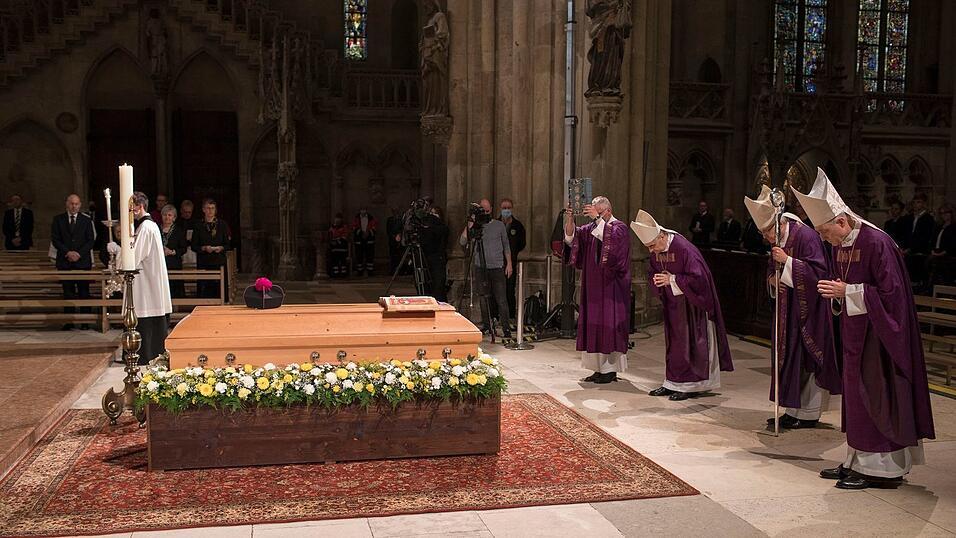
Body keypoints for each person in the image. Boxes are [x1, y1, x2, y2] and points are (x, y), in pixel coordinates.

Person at [793, 167, 935, 490]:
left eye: (827, 233)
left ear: (841, 221)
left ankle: (882, 470)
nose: (826, 241)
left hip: (882, 341)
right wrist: (839, 295)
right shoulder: (842, 243)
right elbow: (845, 285)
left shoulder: (878, 243)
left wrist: (849, 293)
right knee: (857, 399)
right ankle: (856, 460)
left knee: (878, 397)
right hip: (857, 336)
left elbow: (894, 299)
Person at [744, 186, 841, 429]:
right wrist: (773, 280)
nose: (766, 237)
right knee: (787, 358)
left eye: (767, 231)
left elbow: (819, 273)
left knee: (806, 358)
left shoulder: (805, 236)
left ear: (779, 223)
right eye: (763, 233)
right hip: (787, 309)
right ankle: (791, 409)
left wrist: (788, 262)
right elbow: (772, 269)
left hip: (810, 309)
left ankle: (808, 413)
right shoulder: (779, 237)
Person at [632, 209, 734, 400]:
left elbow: (699, 279)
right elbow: (653, 271)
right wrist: (658, 281)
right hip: (673, 304)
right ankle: (672, 382)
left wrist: (673, 280)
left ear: (662, 236)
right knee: (674, 343)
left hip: (692, 306)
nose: (651, 251)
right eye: (648, 247)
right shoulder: (657, 250)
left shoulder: (684, 248)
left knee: (691, 344)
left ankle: (690, 385)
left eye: (652, 245)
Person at [563, 196, 630, 384]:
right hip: (593, 285)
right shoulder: (592, 228)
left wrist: (596, 219)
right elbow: (571, 239)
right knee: (593, 324)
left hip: (612, 287)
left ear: (608, 211)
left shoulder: (620, 228)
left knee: (608, 324)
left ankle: (610, 369)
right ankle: (597, 368)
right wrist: (570, 219)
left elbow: (613, 246)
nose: (595, 216)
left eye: (598, 213)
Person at [108, 192, 172, 365]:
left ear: (139, 206)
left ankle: (143, 355)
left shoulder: (145, 228)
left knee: (143, 317)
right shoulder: (146, 226)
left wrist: (118, 250)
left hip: (146, 285)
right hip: (147, 283)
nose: (129, 211)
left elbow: (134, 258)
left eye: (131, 208)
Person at [459, 198, 513, 338]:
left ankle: (506, 327)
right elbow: (462, 241)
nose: (485, 212)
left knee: (501, 299)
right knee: (483, 297)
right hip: (480, 266)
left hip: (497, 266)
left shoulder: (499, 225)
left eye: (487, 210)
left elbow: (506, 245)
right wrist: (470, 224)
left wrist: (509, 263)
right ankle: (487, 325)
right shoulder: (476, 227)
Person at [51, 194, 95, 330]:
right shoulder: (58, 219)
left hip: (82, 262)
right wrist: (68, 252)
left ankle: (85, 322)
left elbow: (91, 240)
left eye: (76, 204)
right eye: (71, 203)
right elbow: (55, 239)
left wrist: (79, 254)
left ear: (80, 205)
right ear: (67, 204)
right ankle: (68, 320)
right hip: (65, 261)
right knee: (68, 292)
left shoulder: (86, 220)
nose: (74, 206)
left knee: (84, 292)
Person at [191, 198, 231, 298]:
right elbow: (194, 246)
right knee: (205, 289)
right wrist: (204, 248)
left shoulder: (222, 224)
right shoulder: (198, 225)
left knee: (219, 289)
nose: (210, 211)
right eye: (208, 208)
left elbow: (228, 245)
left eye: (212, 208)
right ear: (203, 209)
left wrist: (221, 248)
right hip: (204, 261)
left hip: (218, 260)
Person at [900, 193, 935, 290]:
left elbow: (925, 237)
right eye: (914, 202)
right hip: (907, 250)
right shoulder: (908, 218)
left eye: (919, 202)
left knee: (916, 264)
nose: (916, 205)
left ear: (924, 204)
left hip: (920, 251)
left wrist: (911, 249)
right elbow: (905, 234)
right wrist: (904, 247)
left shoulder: (928, 219)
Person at [499, 198, 526, 321]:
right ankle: (496, 315)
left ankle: (510, 316)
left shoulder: (517, 226)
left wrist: (513, 253)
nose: (506, 210)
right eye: (504, 208)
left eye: (508, 208)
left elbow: (522, 243)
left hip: (511, 262)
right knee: (497, 291)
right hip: (497, 262)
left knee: (510, 290)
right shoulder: (496, 223)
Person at [421, 205, 449, 301]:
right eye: (431, 213)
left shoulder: (442, 228)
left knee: (438, 287)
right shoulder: (426, 229)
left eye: (435, 214)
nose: (433, 216)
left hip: (438, 260)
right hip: (426, 260)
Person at [159, 204, 188, 298]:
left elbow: (184, 248)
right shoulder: (156, 229)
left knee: (174, 288)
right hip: (159, 263)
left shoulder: (179, 231)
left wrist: (172, 252)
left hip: (174, 263)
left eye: (169, 215)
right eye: (164, 215)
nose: (167, 217)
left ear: (174, 218)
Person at [927, 204, 956, 287]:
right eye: (942, 213)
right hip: (936, 252)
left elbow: (953, 244)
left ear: (951, 213)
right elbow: (932, 241)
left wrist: (943, 253)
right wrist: (933, 251)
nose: (944, 215)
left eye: (946, 213)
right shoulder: (938, 227)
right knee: (929, 262)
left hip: (948, 253)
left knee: (941, 264)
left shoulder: (954, 227)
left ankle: (943, 287)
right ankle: (931, 287)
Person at [352, 208, 377, 276]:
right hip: (359, 240)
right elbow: (354, 228)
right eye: (362, 209)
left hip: (369, 240)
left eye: (364, 209)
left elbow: (374, 227)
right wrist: (361, 233)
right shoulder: (356, 218)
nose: (363, 211)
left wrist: (368, 233)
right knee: (359, 256)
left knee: (370, 256)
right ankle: (359, 271)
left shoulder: (371, 218)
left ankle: (370, 271)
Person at [328, 214, 350, 278]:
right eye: (336, 219)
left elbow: (345, 236)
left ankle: (343, 274)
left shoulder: (344, 227)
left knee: (343, 261)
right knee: (335, 261)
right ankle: (335, 274)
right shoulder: (332, 227)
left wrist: (338, 238)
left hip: (342, 248)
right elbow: (330, 235)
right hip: (334, 248)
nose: (337, 221)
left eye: (339, 219)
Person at [386, 206, 404, 274]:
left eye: (396, 211)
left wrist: (399, 235)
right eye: (393, 211)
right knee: (392, 256)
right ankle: (392, 270)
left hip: (400, 240)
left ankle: (400, 270)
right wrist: (394, 237)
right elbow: (388, 230)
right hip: (392, 241)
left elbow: (403, 229)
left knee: (400, 256)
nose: (395, 212)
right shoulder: (389, 220)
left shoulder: (401, 220)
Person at [178, 199, 197, 267]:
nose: (187, 214)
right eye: (185, 212)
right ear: (181, 211)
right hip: (181, 253)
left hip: (193, 253)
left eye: (189, 212)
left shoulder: (196, 223)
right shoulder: (177, 223)